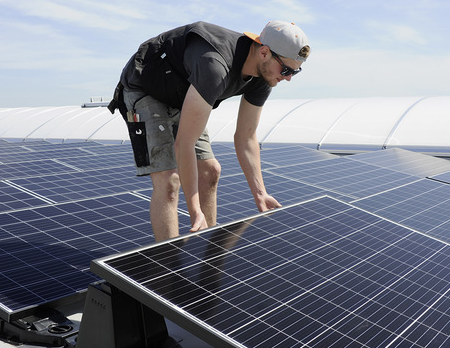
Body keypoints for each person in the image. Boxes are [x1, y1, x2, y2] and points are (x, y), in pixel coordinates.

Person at [108, 20, 310, 241]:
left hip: (183, 91)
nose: (289, 77)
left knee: (210, 171)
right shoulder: (215, 65)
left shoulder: (265, 77)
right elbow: (184, 143)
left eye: (295, 72)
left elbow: (246, 137)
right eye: (287, 69)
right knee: (169, 181)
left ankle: (207, 253)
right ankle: (170, 267)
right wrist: (194, 209)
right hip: (146, 86)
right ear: (264, 52)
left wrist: (260, 194)